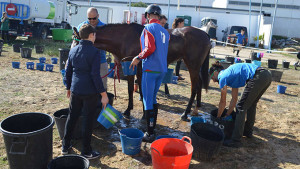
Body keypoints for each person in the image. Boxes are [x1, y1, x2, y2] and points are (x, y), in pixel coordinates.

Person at [62, 24, 109, 159]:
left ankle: (65, 146)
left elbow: (68, 71)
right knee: (88, 121)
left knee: (72, 117)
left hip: (76, 90)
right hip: (90, 92)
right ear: (91, 35)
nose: (95, 37)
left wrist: (68, 87)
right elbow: (95, 75)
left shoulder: (73, 50)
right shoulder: (95, 52)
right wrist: (104, 94)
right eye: (95, 35)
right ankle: (86, 151)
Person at [130, 4, 169, 142]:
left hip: (150, 68)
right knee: (153, 98)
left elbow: (150, 48)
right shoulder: (165, 32)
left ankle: (150, 132)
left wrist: (137, 58)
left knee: (147, 100)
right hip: (162, 69)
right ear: (158, 16)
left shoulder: (148, 28)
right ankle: (152, 128)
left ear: (147, 16)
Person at [209, 62, 272, 148]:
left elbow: (222, 102)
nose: (213, 80)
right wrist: (227, 114)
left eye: (212, 77)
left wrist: (218, 118)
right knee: (251, 104)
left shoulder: (222, 76)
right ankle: (247, 131)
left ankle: (235, 140)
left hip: (258, 76)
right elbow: (234, 99)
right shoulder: (230, 74)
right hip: (266, 75)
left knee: (240, 107)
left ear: (215, 72)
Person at [77, 7, 108, 90]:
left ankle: (102, 101)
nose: (92, 21)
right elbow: (75, 43)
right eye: (89, 18)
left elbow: (110, 44)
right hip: (85, 61)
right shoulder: (81, 26)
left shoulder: (104, 27)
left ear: (98, 16)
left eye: (94, 18)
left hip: (101, 60)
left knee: (102, 85)